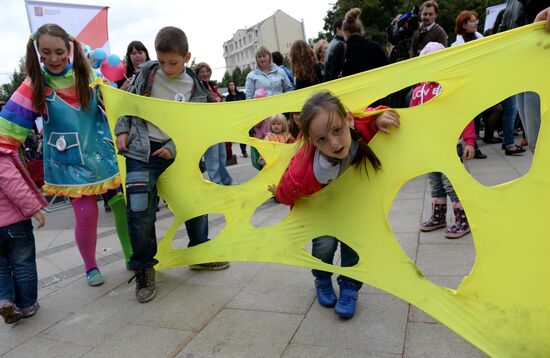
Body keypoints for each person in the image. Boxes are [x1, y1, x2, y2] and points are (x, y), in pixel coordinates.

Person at [0, 24, 122, 287]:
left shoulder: (89, 74)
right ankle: (91, 266)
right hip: (69, 163)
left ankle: (136, 258)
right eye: (46, 52)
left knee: (123, 207)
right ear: (38, 53)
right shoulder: (34, 85)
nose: (53, 58)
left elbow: (118, 104)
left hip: (103, 153)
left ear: (69, 49)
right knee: (87, 215)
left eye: (58, 51)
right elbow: (6, 130)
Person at [115, 26, 229, 304]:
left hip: (177, 153)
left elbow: (197, 124)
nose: (166, 68)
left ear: (187, 56)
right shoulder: (146, 72)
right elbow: (126, 103)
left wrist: (173, 147)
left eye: (173, 62)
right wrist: (122, 129)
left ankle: (199, 254)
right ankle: (144, 268)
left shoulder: (196, 87)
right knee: (139, 209)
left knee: (193, 201)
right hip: (140, 150)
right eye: (162, 60)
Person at [269, 91, 400, 318]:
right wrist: (280, 196)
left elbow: (367, 118)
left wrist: (377, 119)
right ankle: (322, 277)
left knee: (354, 245)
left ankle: (350, 286)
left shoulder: (357, 130)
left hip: (352, 206)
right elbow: (290, 186)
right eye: (322, 139)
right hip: (323, 211)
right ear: (312, 141)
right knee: (324, 245)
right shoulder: (306, 169)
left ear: (348, 120)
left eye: (337, 131)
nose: (335, 143)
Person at [412, 42, 475, 239]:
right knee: (435, 182)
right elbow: (413, 117)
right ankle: (438, 217)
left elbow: (464, 114)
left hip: (450, 145)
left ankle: (463, 219)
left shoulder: (450, 87)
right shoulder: (418, 91)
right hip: (429, 146)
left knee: (451, 182)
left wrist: (470, 141)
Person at [0, 117, 47, 324]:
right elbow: (14, 185)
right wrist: (34, 209)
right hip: (14, 223)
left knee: (0, 267)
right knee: (23, 263)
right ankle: (27, 305)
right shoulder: (2, 155)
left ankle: (5, 300)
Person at [450, 10, 489, 159]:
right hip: (466, 83)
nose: (475, 24)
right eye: (472, 21)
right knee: (470, 114)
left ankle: (474, 142)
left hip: (480, 81)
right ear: (463, 25)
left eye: (475, 21)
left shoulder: (481, 40)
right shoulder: (456, 46)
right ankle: (471, 144)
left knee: (480, 112)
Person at [195, 62, 235, 185]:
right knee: (212, 158)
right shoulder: (198, 88)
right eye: (202, 72)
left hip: (218, 125)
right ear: (197, 74)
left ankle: (225, 180)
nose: (205, 73)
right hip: (208, 127)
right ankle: (217, 183)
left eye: (207, 71)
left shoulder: (211, 86)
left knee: (221, 156)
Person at [341, 8, 388, 78]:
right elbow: (386, 70)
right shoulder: (375, 47)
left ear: (345, 32)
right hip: (375, 87)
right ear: (360, 29)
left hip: (351, 88)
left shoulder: (341, 51)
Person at [225, 81, 248, 157]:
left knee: (243, 135)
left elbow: (246, 104)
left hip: (242, 117)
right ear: (228, 87)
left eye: (232, 84)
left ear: (235, 86)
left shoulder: (241, 94)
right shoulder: (228, 97)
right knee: (236, 135)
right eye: (230, 85)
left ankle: (244, 151)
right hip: (234, 118)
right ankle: (229, 153)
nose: (231, 86)